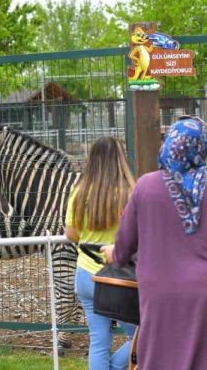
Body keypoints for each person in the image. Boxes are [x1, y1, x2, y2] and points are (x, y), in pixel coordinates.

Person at [103, 116, 207, 370]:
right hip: (203, 292)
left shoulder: (146, 186)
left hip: (158, 292)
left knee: (160, 356)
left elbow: (124, 244)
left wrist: (113, 254)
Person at [64, 136, 136, 370]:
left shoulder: (79, 192)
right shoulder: (129, 193)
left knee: (99, 341)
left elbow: (71, 234)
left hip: (85, 274)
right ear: (120, 159)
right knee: (142, 334)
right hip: (119, 278)